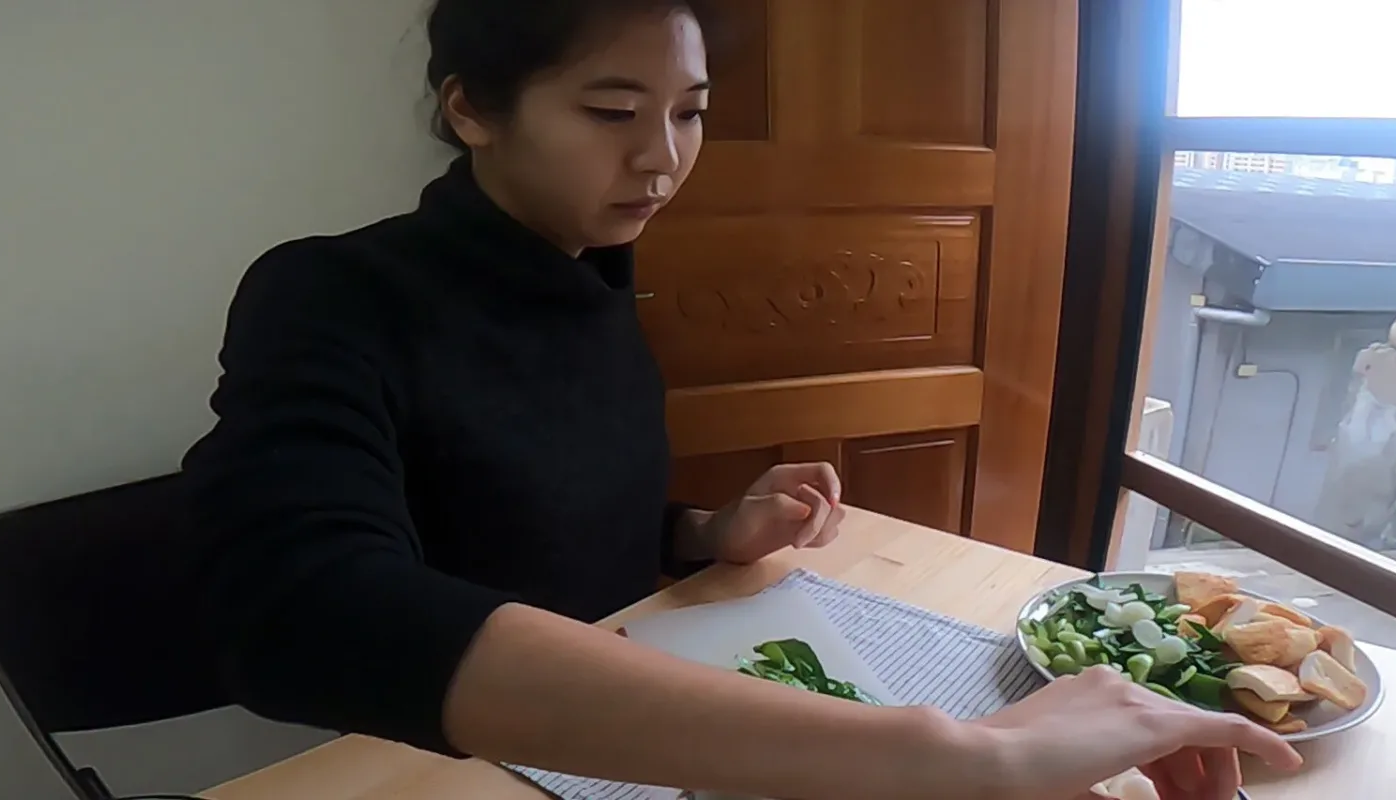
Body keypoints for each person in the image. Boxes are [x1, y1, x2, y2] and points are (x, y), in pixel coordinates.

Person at [183, 1, 1302, 798]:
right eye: (612, 111)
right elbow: (304, 608)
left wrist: (699, 532)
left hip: (638, 686)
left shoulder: (593, 271)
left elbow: (519, 508)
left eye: (689, 112)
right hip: (459, 754)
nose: (662, 160)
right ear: (472, 108)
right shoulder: (328, 289)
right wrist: (959, 756)